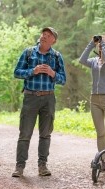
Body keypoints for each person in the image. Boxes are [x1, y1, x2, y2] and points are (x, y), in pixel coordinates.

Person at [12, 27, 66, 177]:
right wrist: (32, 71)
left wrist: (52, 73)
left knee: (45, 134)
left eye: (48, 35)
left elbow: (63, 79)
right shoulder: (28, 52)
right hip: (30, 98)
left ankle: (42, 166)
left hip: (48, 98)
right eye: (43, 34)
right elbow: (17, 72)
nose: (44, 36)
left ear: (53, 40)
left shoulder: (56, 56)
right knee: (25, 134)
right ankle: (19, 167)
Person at [79, 34, 105, 172]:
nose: (101, 44)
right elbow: (82, 60)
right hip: (95, 100)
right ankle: (103, 162)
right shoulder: (94, 61)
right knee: (100, 132)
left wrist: (102, 44)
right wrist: (91, 44)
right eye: (100, 42)